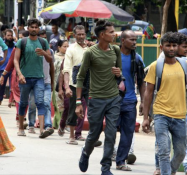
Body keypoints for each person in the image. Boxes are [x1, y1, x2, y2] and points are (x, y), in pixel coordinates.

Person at [142, 32, 187, 175]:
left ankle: (169, 170)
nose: (171, 48)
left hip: (180, 115)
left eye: (174, 45)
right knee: (163, 150)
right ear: (162, 47)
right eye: (168, 45)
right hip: (161, 114)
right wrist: (145, 117)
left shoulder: (185, 65)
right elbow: (148, 93)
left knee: (180, 152)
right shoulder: (156, 66)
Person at [76, 20, 122, 175]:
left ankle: (105, 168)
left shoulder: (116, 50)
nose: (114, 34)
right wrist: (78, 102)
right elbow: (81, 77)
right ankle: (86, 153)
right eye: (111, 32)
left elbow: (119, 74)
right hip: (96, 99)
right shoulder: (90, 52)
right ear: (102, 35)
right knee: (94, 133)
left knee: (110, 134)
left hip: (113, 98)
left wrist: (119, 74)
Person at [13, 18, 52, 138]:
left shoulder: (44, 42)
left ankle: (41, 130)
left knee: (40, 102)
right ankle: (20, 128)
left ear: (39, 29)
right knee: (24, 103)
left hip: (39, 78)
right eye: (32, 27)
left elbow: (50, 60)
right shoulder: (22, 42)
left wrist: (44, 53)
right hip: (25, 78)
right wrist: (19, 74)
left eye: (36, 27)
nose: (34, 29)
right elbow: (16, 59)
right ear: (28, 28)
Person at [113, 30, 146, 171]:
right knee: (110, 130)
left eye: (135, 40)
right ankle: (108, 156)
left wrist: (143, 102)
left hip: (130, 100)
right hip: (113, 99)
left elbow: (142, 82)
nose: (134, 42)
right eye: (131, 39)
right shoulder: (113, 57)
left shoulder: (137, 59)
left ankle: (121, 161)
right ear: (122, 40)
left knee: (128, 132)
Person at [63, 25, 89, 144]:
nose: (81, 36)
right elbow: (66, 69)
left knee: (90, 109)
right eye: (79, 34)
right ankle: (72, 136)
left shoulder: (90, 48)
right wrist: (67, 87)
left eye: (83, 34)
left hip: (89, 84)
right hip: (74, 84)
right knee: (74, 109)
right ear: (74, 35)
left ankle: (84, 135)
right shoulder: (71, 49)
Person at [28, 30, 55, 136]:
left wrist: (52, 82)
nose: (44, 41)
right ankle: (31, 124)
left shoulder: (50, 52)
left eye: (45, 38)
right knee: (33, 104)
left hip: (46, 82)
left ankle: (48, 126)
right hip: (34, 81)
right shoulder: (32, 50)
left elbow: (51, 67)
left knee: (46, 103)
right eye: (42, 38)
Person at [0, 30, 29, 128]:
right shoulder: (16, 48)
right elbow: (10, 63)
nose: (19, 40)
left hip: (31, 76)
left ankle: (23, 116)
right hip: (17, 76)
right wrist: (3, 75)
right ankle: (21, 118)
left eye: (21, 37)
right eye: (19, 37)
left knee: (26, 98)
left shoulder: (35, 48)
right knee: (18, 98)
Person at [53, 39, 68, 129]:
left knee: (65, 104)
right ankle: (60, 124)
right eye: (64, 46)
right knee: (58, 105)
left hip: (66, 83)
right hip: (56, 83)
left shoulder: (69, 57)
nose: (66, 48)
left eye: (67, 46)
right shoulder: (54, 57)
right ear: (59, 47)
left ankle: (58, 124)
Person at [0, 29, 15, 105]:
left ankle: (12, 100)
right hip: (3, 68)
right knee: (1, 85)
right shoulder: (0, 45)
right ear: (4, 36)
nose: (10, 37)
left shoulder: (16, 45)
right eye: (8, 35)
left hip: (13, 68)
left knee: (13, 85)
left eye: (11, 35)